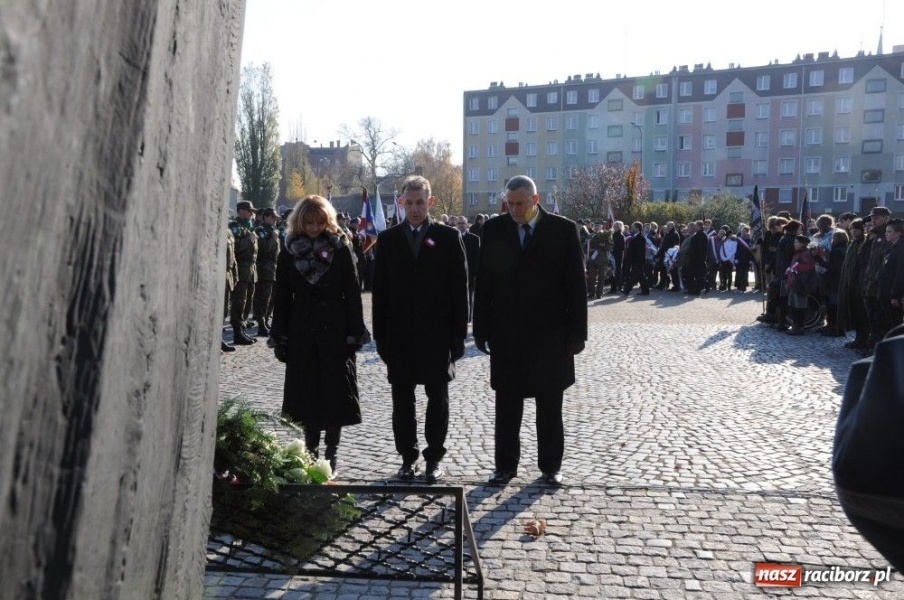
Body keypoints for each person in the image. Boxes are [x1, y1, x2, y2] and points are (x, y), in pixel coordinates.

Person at [473, 175, 587, 487]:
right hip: (507, 335)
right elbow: (484, 283)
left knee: (550, 405)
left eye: (519, 203)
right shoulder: (494, 229)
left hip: (551, 336)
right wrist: (480, 328)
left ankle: (551, 467)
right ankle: (505, 466)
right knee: (507, 405)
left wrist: (579, 334)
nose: (513, 209)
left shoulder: (562, 230)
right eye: (509, 203)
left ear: (535, 200)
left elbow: (576, 286)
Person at [372, 175, 469, 484]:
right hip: (399, 336)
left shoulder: (448, 237)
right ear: (401, 203)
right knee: (402, 402)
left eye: (420, 203)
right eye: (409, 203)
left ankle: (433, 458)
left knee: (437, 400)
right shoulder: (387, 240)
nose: (415, 209)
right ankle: (407, 457)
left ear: (431, 202)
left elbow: (460, 289)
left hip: (436, 336)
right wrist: (380, 337)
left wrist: (458, 336)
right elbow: (380, 293)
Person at [268, 195, 370, 478]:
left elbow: (351, 292)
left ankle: (332, 451)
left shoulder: (339, 248)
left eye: (319, 222)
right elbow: (282, 297)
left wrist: (355, 331)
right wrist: (279, 335)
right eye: (309, 222)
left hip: (335, 330)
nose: (314, 227)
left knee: (334, 392)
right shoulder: (288, 252)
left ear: (328, 221)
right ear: (300, 222)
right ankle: (311, 449)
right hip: (302, 330)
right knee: (307, 393)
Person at [228, 201, 258, 345]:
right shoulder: (235, 228)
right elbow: (236, 249)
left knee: (248, 302)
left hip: (251, 270)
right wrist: (248, 240)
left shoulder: (249, 228)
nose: (252, 214)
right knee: (239, 301)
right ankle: (237, 332)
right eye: (249, 210)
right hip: (240, 269)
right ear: (240, 211)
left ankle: (243, 328)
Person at [253, 207, 280, 336]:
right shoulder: (261, 230)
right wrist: (272, 239)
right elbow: (263, 249)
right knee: (263, 297)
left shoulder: (273, 230)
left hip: (273, 268)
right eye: (273, 217)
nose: (275, 220)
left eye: (276, 218)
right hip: (263, 267)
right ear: (266, 217)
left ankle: (266, 320)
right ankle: (261, 323)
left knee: (272, 297)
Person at [456, 216, 481, 321]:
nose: (461, 225)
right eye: (459, 223)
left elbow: (477, 257)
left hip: (470, 272)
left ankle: (468, 317)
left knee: (469, 295)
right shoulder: (452, 237)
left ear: (467, 224)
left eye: (463, 223)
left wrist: (476, 274)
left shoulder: (474, 239)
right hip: (456, 272)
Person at [622, 221, 651, 296]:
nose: (632, 228)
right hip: (634, 260)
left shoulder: (641, 238)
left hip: (638, 260)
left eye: (633, 227)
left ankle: (626, 290)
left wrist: (633, 259)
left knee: (633, 276)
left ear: (638, 228)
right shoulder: (634, 236)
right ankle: (646, 290)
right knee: (641, 276)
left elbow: (640, 251)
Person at [586, 221, 612, 300]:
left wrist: (604, 246)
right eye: (595, 225)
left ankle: (599, 293)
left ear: (602, 226)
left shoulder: (606, 235)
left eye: (598, 225)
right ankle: (591, 293)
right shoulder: (590, 235)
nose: (597, 227)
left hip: (602, 259)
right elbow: (586, 246)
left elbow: (610, 247)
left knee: (601, 277)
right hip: (592, 260)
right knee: (591, 278)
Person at [222, 227, 238, 352]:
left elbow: (233, 256)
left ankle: (219, 338)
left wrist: (235, 274)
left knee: (225, 308)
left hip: (228, 275)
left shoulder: (228, 231)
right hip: (220, 275)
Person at [609, 221, 625, 294]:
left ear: (619, 228)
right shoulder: (611, 235)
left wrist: (613, 248)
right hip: (611, 255)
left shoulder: (621, 236)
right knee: (612, 272)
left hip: (617, 256)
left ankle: (618, 287)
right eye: (614, 226)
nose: (614, 227)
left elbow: (622, 248)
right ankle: (613, 288)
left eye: (616, 226)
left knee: (617, 271)